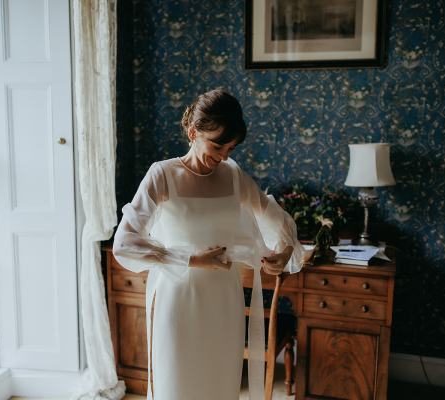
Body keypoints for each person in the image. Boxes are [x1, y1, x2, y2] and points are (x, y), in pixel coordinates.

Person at [113, 89, 307, 400]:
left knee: (219, 384)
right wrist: (190, 259)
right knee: (177, 383)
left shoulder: (233, 176)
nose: (224, 156)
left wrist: (283, 252)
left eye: (231, 148)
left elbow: (274, 218)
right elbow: (125, 242)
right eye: (218, 145)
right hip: (177, 299)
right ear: (193, 132)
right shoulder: (162, 175)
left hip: (223, 300)